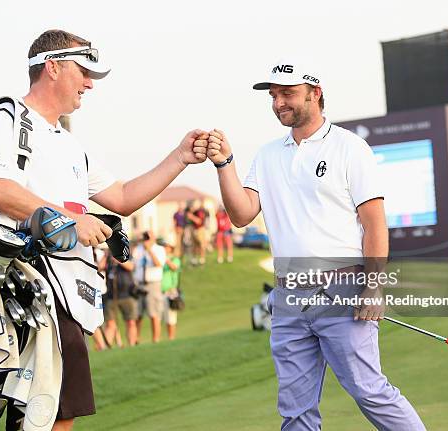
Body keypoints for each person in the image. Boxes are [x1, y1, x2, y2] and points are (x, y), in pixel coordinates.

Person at [0, 29, 208, 431]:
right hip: (31, 288)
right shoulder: (8, 116)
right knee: (52, 416)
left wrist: (180, 157)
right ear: (52, 67)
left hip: (65, 292)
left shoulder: (68, 143)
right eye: (83, 72)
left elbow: (122, 196)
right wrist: (68, 220)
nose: (89, 84)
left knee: (50, 416)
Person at [204, 59, 426, 430]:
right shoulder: (268, 154)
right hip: (288, 296)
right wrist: (225, 164)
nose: (278, 103)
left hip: (342, 289)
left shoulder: (349, 147)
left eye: (287, 94)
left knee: (369, 391)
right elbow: (242, 214)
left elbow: (374, 225)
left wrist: (373, 287)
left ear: (315, 93)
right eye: (274, 96)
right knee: (295, 408)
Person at [133, 231, 166, 343]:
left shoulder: (159, 249)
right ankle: (136, 339)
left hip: (153, 284)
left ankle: (155, 339)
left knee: (154, 313)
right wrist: (138, 242)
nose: (146, 239)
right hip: (139, 283)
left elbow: (159, 264)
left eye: (149, 237)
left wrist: (149, 250)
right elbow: (133, 263)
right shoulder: (138, 249)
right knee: (138, 314)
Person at [102, 250, 138, 347]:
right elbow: (99, 267)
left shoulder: (126, 254)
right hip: (111, 295)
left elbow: (131, 266)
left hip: (127, 294)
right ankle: (106, 347)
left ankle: (132, 345)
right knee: (110, 324)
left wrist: (118, 259)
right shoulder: (107, 258)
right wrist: (106, 256)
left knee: (131, 321)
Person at [160, 242, 181, 340]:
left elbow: (174, 267)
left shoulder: (174, 259)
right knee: (161, 317)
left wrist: (165, 259)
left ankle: (171, 338)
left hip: (170, 291)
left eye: (166, 247)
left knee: (171, 318)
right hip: (160, 290)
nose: (164, 248)